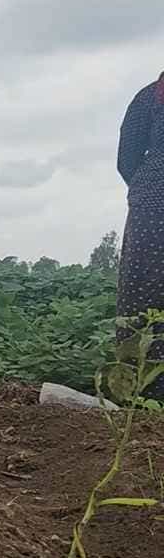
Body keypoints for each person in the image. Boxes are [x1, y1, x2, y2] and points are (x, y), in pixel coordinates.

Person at [116, 71, 164, 401]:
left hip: (151, 201)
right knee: (146, 298)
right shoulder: (149, 98)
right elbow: (128, 159)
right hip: (153, 209)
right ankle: (145, 395)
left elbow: (128, 161)